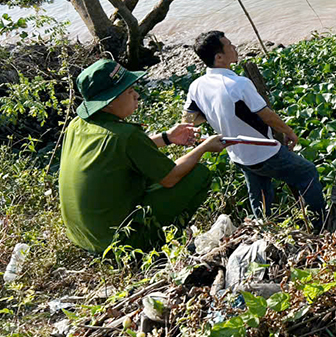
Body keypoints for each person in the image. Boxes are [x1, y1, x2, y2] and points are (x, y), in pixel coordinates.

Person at [59, 58, 228, 254]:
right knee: (198, 174)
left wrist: (167, 137)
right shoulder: (125, 136)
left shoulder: (77, 125)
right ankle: (156, 242)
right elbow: (171, 177)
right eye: (130, 92)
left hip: (83, 237)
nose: (137, 95)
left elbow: (122, 151)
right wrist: (203, 148)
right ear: (109, 102)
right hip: (119, 244)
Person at [184, 31, 327, 231]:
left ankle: (265, 230)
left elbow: (189, 120)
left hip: (238, 153)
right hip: (263, 150)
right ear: (219, 57)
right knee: (307, 173)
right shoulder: (238, 84)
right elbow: (266, 115)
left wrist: (213, 112)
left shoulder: (197, 86)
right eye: (229, 45)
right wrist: (289, 132)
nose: (234, 47)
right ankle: (321, 225)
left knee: (260, 194)